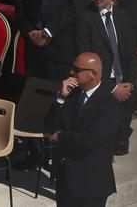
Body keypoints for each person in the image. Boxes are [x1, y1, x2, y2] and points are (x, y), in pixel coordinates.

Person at [44, 52, 120, 207]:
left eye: (77, 69)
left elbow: (89, 140)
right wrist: (60, 98)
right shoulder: (72, 95)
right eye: (72, 68)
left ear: (93, 74)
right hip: (65, 178)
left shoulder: (108, 104)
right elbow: (49, 127)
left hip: (90, 185)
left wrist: (61, 136)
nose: (71, 72)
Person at [75, 0, 137, 156]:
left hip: (123, 79)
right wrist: (111, 88)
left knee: (125, 109)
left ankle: (122, 136)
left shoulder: (123, 17)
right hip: (100, 80)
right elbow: (86, 59)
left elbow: (131, 56)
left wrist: (130, 83)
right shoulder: (85, 19)